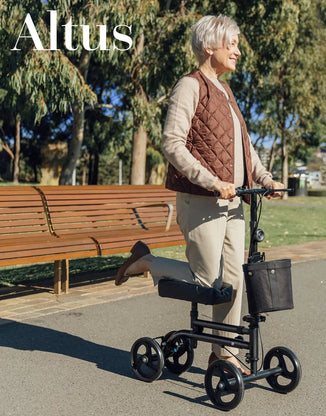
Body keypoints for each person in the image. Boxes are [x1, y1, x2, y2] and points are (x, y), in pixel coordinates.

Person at [115, 15, 284, 374]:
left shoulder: (225, 91)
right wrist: (210, 181)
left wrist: (266, 179)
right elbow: (173, 144)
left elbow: (244, 149)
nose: (237, 51)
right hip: (202, 201)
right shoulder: (189, 86)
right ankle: (146, 262)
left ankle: (225, 354)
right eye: (232, 44)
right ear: (209, 46)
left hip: (234, 202)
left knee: (235, 277)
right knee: (208, 283)